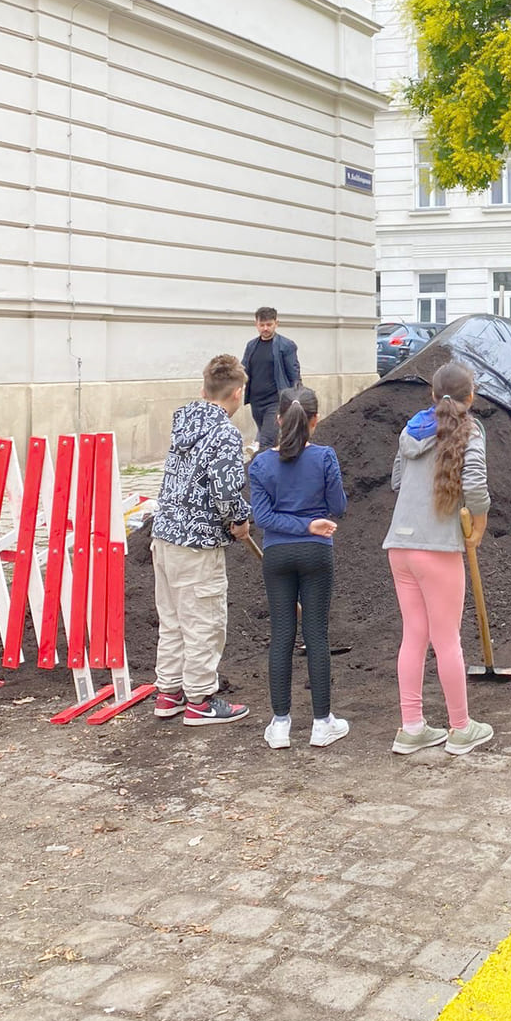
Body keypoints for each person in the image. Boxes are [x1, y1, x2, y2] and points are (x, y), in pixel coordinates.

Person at [383, 360, 494, 756]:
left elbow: (398, 481)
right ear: (472, 396)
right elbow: (476, 484)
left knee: (414, 636)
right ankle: (461, 728)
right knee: (447, 641)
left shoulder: (410, 429)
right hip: (437, 550)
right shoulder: (471, 429)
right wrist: (478, 526)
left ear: (432, 395)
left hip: (399, 546)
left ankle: (411, 727)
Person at [150, 353, 252, 725]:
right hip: (196, 544)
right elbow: (226, 492)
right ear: (238, 393)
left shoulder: (183, 420)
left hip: (163, 536)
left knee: (174, 620)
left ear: (203, 389)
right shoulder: (225, 433)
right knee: (204, 622)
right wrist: (240, 520)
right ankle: (200, 700)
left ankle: (169, 693)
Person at [248, 386, 349, 751]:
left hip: (276, 555)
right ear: (315, 421)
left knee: (282, 635)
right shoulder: (325, 457)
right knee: (316, 635)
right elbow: (338, 506)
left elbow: (262, 517)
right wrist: (310, 523)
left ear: (277, 420)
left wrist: (294, 524)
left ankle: (280, 725)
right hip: (317, 553)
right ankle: (322, 724)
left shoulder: (260, 464)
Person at [242, 308, 301, 453]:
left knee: (266, 441)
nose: (265, 328)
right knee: (270, 438)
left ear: (276, 323)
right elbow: (243, 369)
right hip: (256, 402)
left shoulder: (286, 345)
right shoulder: (251, 346)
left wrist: (297, 398)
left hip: (276, 401)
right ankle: (276, 465)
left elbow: (294, 374)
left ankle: (258, 468)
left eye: (269, 324)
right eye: (262, 325)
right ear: (256, 324)